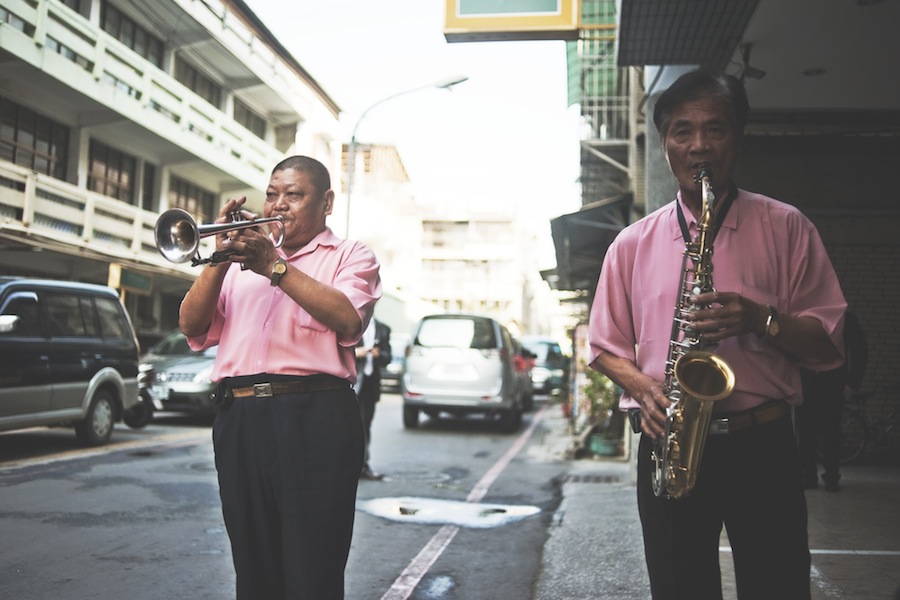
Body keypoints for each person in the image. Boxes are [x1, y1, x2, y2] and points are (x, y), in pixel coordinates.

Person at [588, 69, 847, 599]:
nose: (699, 145)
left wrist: (761, 320)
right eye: (682, 131)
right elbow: (603, 348)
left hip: (764, 444)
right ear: (664, 145)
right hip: (671, 439)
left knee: (777, 587)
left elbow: (828, 345)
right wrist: (642, 388)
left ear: (738, 137)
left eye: (715, 129)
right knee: (679, 588)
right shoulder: (631, 243)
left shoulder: (787, 226)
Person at [179, 155, 382, 599]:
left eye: (294, 195)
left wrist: (274, 263)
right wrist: (221, 254)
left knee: (313, 567)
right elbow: (192, 325)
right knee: (252, 566)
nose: (280, 204)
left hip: (315, 416)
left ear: (326, 201)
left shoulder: (350, 255)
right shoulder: (237, 263)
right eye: (272, 194)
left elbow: (348, 319)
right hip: (240, 418)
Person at [797, 311, 868, 491]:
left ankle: (831, 477)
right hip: (807, 381)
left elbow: (860, 349)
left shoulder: (846, 318)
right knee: (805, 432)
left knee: (832, 432)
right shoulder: (803, 315)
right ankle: (809, 476)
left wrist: (852, 383)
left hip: (833, 381)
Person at [355, 317, 391, 480]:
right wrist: (357, 352)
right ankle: (352, 465)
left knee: (366, 425)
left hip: (370, 384)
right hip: (353, 383)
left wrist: (379, 354)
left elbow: (388, 357)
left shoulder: (383, 328)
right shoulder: (352, 323)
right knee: (351, 426)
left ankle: (363, 465)